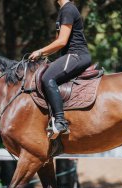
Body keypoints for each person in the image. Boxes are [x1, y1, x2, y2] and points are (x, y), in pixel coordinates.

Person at [29, 0, 91, 135]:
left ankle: (61, 122)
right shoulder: (63, 11)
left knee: (48, 77)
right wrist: (43, 54)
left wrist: (40, 51)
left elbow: (62, 41)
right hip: (70, 56)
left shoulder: (68, 10)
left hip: (77, 55)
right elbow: (58, 42)